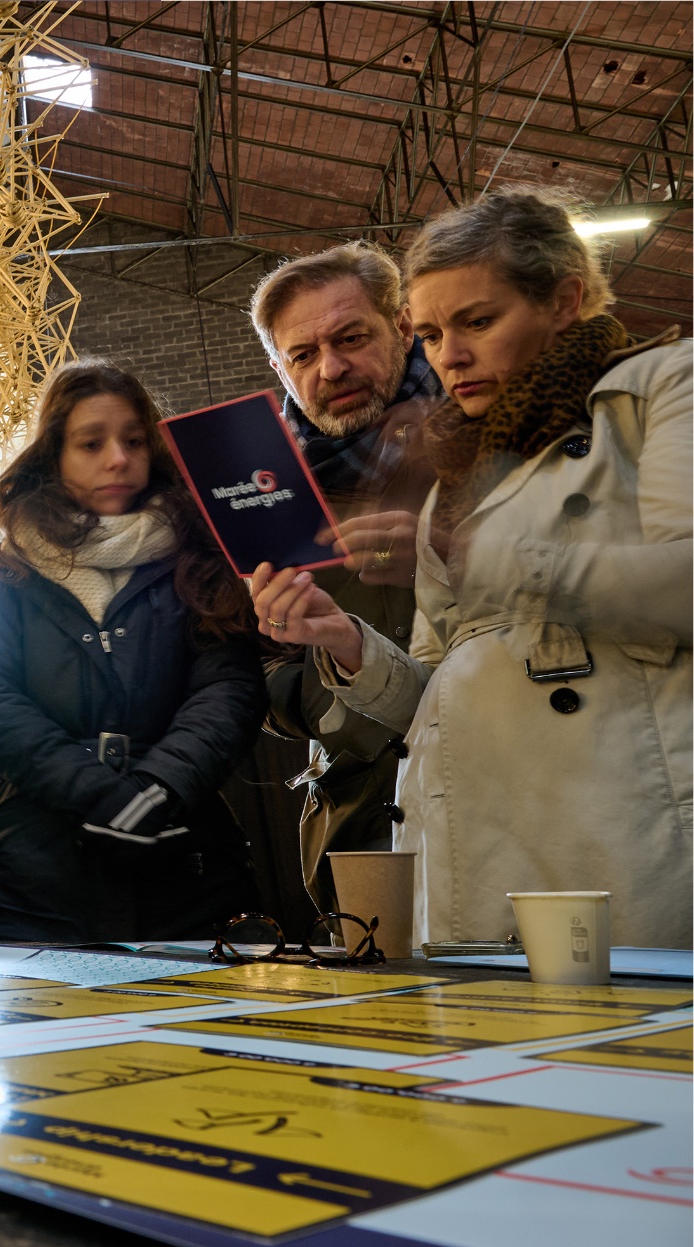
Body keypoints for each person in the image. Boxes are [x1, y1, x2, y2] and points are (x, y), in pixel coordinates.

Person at [251, 188, 691, 949]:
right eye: (430, 332)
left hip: (616, 807)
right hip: (468, 821)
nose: (449, 355)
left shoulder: (657, 392)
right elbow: (432, 680)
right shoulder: (458, 464)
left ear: (563, 300)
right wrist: (346, 644)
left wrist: (502, 557)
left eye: (477, 321)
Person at [0, 359, 265, 943]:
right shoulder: (2, 568)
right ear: (53, 456)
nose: (118, 459)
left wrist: (158, 789)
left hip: (186, 862)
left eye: (134, 441)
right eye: (91, 443)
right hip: (32, 873)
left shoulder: (200, 557)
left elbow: (230, 689)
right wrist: (105, 795)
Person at [248, 243, 440, 911]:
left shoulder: (487, 429)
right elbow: (262, 676)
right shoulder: (264, 494)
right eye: (302, 355)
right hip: (358, 828)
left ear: (405, 326)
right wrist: (328, 697)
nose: (332, 367)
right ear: (279, 367)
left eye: (352, 337)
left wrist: (447, 552)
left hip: (515, 793)